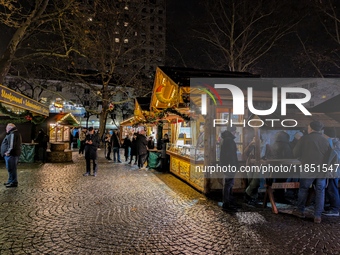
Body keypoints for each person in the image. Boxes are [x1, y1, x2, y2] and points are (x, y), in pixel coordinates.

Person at [292, 121, 332, 224]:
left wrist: (302, 158)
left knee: (303, 189)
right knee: (320, 191)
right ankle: (317, 216)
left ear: (310, 128)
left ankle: (300, 211)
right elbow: (330, 155)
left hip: (308, 167)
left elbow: (295, 152)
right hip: (322, 170)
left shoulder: (304, 138)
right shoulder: (326, 140)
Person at [244, 135, 272, 205]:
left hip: (261, 165)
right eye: (254, 139)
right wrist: (251, 144)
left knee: (256, 181)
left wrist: (265, 159)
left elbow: (271, 155)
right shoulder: (252, 145)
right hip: (251, 165)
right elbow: (245, 153)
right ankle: (253, 198)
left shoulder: (266, 145)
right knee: (250, 181)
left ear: (261, 139)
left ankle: (246, 193)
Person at [220, 126, 240, 211]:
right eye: (235, 131)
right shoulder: (229, 140)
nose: (235, 132)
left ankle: (230, 201)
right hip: (230, 165)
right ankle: (227, 203)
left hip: (226, 165)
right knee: (228, 184)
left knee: (229, 184)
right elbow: (231, 155)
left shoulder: (225, 139)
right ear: (233, 131)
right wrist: (234, 165)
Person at [271, 131, 294, 204]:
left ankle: (276, 196)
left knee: (277, 182)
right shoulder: (285, 145)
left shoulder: (275, 144)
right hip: (284, 167)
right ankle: (280, 198)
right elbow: (289, 156)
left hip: (275, 167)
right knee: (281, 183)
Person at [322, 127, 340, 216]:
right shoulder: (336, 143)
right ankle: (332, 206)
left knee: (332, 189)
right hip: (335, 170)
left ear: (327, 135)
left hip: (334, 171)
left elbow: (334, 159)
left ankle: (334, 209)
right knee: (331, 188)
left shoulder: (335, 145)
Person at [1, 123, 22, 187]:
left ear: (9, 128)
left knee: (11, 169)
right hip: (12, 155)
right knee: (10, 168)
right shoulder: (15, 133)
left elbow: (11, 145)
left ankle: (13, 182)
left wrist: (8, 152)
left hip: (11, 155)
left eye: (6, 129)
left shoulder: (13, 134)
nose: (6, 130)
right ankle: (10, 180)